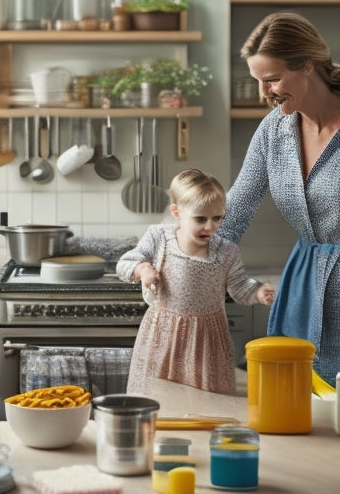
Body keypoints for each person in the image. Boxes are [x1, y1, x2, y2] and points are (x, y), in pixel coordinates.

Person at [218, 11, 340, 384]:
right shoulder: (273, 130)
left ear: (307, 65)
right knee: (298, 407)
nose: (263, 93)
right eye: (258, 81)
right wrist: (177, 254)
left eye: (271, 80)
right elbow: (235, 212)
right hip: (302, 293)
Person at [117, 168, 275, 395]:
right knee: (159, 396)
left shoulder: (226, 250)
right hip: (163, 335)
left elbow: (239, 285)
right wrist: (143, 269)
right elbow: (125, 263)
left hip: (207, 340)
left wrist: (258, 292)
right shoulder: (159, 237)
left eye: (218, 218)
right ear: (176, 212)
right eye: (200, 219)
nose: (210, 227)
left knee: (204, 398)